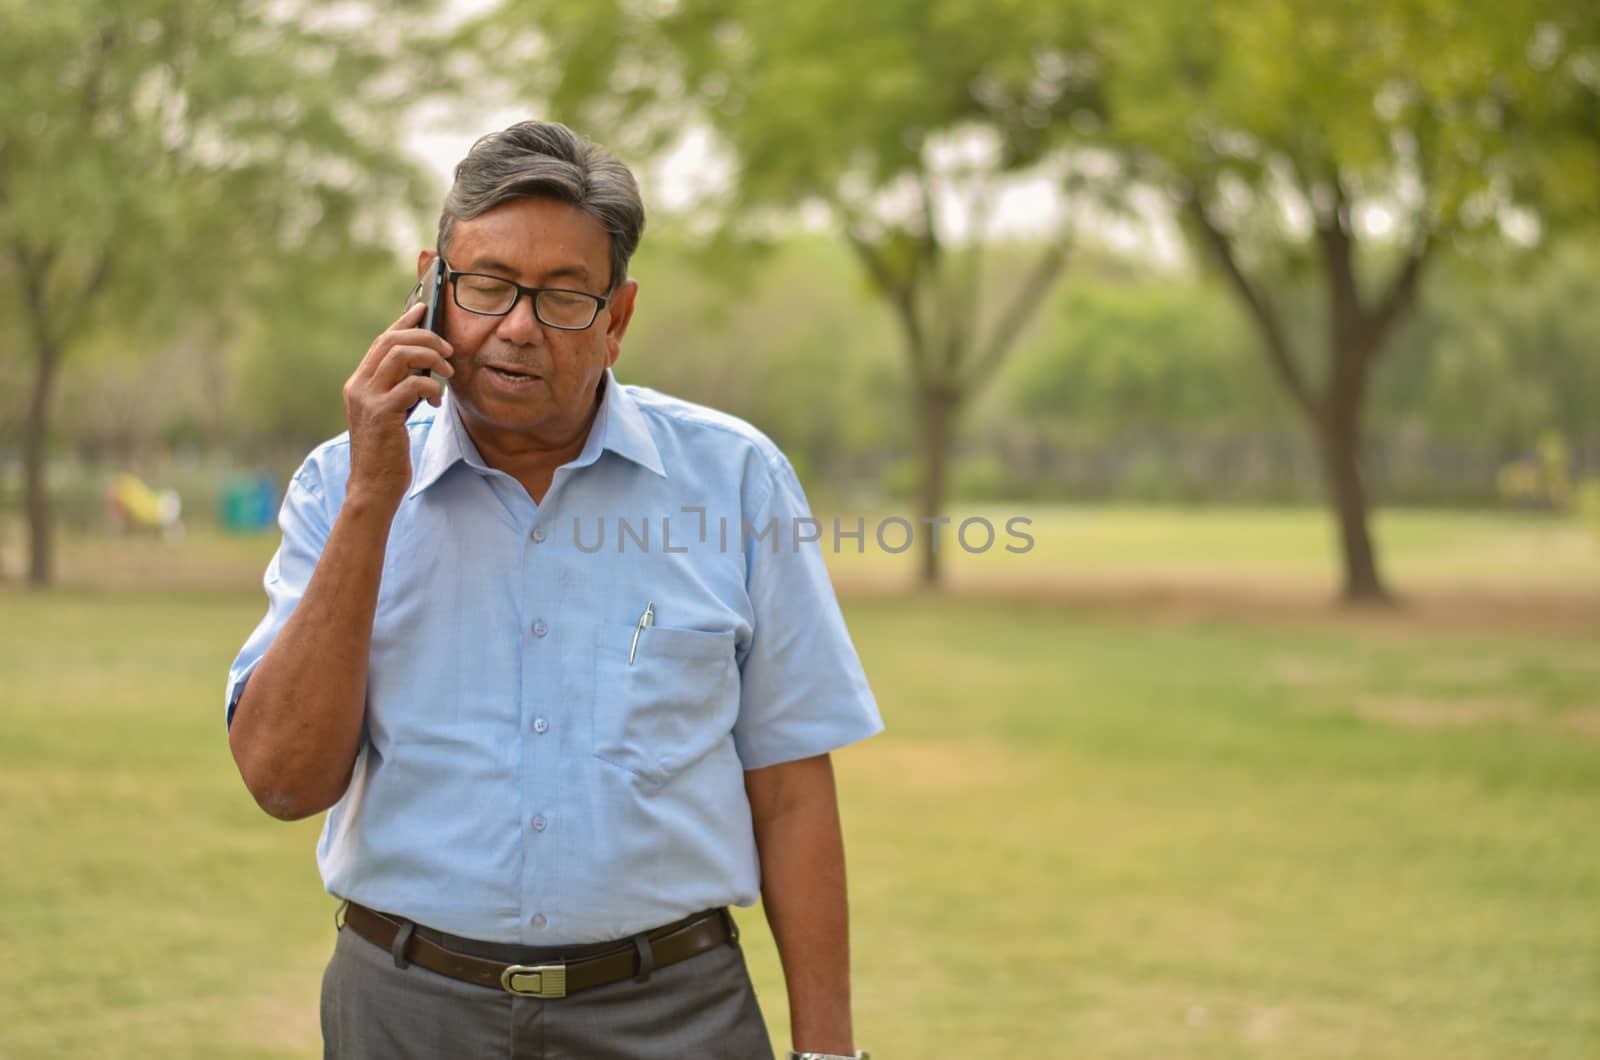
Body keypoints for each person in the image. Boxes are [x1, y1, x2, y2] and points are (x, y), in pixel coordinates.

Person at [224, 120, 882, 1060]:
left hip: (673, 1016)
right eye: (487, 286)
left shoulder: (735, 480)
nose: (518, 327)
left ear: (617, 319)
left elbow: (789, 787)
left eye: (565, 298)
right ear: (430, 290)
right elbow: (283, 783)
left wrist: (827, 1052)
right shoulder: (339, 483)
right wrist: (377, 492)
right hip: (406, 1014)